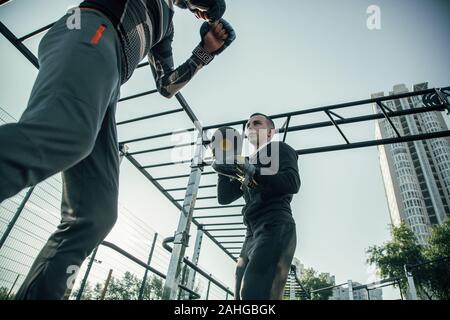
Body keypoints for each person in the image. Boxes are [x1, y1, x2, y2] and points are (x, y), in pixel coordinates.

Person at [0, 0, 235, 299]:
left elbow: (166, 86)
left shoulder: (166, 24)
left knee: (96, 213)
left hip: (110, 74)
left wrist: (205, 52)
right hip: (89, 29)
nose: (203, 11)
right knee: (67, 134)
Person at [212, 113, 300, 300]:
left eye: (257, 123)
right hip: (251, 234)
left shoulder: (279, 149)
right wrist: (222, 164)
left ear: (270, 133)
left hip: (275, 225)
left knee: (253, 294)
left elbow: (292, 183)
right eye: (248, 124)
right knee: (240, 297)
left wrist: (251, 170)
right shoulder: (245, 161)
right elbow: (224, 197)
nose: (250, 126)